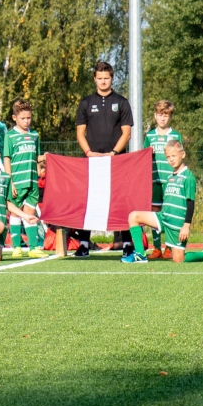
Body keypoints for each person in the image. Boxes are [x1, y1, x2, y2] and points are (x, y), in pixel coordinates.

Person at [73, 61, 134, 258]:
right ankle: (84, 244)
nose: (103, 81)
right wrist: (89, 152)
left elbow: (127, 133)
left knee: (121, 201)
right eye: (99, 78)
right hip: (92, 162)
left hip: (117, 161)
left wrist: (114, 153)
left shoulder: (122, 102)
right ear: (94, 79)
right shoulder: (86, 103)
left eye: (106, 78)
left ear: (112, 78)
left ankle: (127, 243)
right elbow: (80, 133)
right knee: (90, 201)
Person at [124, 140, 203, 264]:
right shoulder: (170, 177)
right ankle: (140, 255)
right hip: (163, 218)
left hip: (177, 225)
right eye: (168, 157)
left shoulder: (188, 177)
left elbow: (190, 203)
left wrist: (186, 226)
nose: (171, 159)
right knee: (133, 216)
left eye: (174, 156)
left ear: (183, 154)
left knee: (178, 259)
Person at [3, 99, 49, 258]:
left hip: (32, 182)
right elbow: (7, 159)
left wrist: (44, 157)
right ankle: (16, 247)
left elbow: (36, 157)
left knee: (30, 212)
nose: (26, 121)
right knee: (15, 214)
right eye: (23, 118)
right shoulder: (10, 136)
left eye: (29, 118)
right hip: (17, 181)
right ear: (14, 118)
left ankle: (33, 248)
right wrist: (10, 182)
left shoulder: (35, 135)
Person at [143, 100, 183, 259]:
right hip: (154, 182)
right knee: (155, 213)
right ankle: (157, 247)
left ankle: (169, 247)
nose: (163, 119)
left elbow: (180, 157)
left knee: (170, 214)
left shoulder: (175, 135)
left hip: (171, 181)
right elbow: (144, 157)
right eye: (160, 115)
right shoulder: (150, 136)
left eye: (166, 115)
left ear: (170, 117)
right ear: (155, 116)